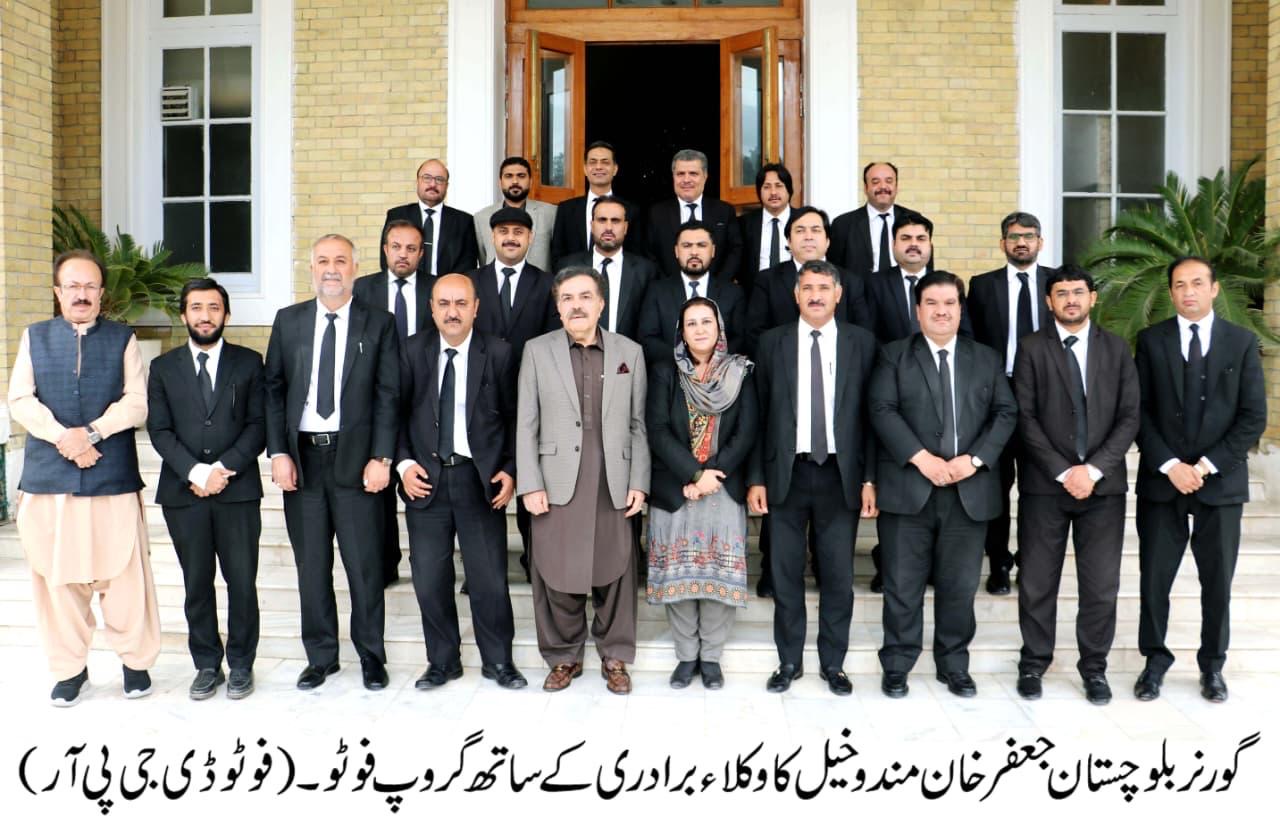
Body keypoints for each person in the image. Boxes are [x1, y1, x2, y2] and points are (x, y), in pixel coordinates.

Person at [8, 249, 160, 705]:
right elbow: (20, 400)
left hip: (110, 476)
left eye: (90, 286)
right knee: (57, 581)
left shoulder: (122, 339)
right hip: (49, 480)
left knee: (125, 576)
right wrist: (65, 438)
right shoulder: (34, 337)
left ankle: (135, 663)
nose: (81, 294)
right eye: (72, 286)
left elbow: (137, 402)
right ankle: (70, 670)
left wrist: (92, 433)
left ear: (101, 293)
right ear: (58, 292)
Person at [869, 271, 1017, 699]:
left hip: (968, 492)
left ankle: (953, 665)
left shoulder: (985, 358)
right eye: (931, 303)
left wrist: (974, 460)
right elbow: (882, 409)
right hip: (909, 489)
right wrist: (922, 459)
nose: (941, 311)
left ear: (960, 309)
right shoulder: (893, 355)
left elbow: (1006, 412)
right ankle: (897, 663)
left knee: (959, 587)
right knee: (902, 585)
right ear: (918, 310)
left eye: (949, 303)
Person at [265, 234, 400, 692]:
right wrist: (278, 452)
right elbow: (274, 389)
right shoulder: (289, 321)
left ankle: (371, 656)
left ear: (355, 268)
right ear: (311, 268)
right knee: (312, 567)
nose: (331, 268)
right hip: (303, 461)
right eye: (323, 260)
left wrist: (382, 456)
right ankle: (321, 657)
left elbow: (388, 394)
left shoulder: (378, 323)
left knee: (364, 566)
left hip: (357, 461)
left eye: (340, 260)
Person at [1133, 256, 1266, 703]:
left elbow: (1253, 417)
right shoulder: (1151, 341)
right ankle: (1154, 662)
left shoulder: (1242, 342)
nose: (1187, 291)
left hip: (1220, 485)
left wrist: (1206, 466)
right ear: (1170, 292)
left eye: (1196, 283)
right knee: (1154, 580)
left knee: (1217, 582)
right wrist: (1170, 465)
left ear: (1214, 289)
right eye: (1179, 284)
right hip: (1162, 483)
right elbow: (1138, 411)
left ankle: (1212, 666)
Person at [746, 260, 879, 696]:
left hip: (841, 475)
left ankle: (833, 663)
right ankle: (789, 660)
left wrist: (870, 478)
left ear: (838, 294)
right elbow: (758, 413)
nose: (816, 295)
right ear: (796, 295)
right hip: (786, 474)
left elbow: (871, 417)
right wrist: (756, 477)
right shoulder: (772, 343)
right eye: (807, 287)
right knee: (785, 575)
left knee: (838, 576)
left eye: (824, 287)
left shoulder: (862, 343)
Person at [517, 266, 649, 694]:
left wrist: (639, 481)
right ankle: (563, 656)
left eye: (585, 296)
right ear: (557, 307)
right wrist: (529, 483)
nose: (577, 305)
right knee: (555, 570)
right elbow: (526, 423)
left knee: (617, 568)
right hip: (556, 480)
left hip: (613, 478)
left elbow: (638, 424)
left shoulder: (630, 352)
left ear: (601, 303)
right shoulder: (537, 351)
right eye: (567, 298)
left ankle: (615, 655)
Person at [1012, 267, 1139, 705]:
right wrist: (1065, 471)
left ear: (1092, 298)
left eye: (1078, 292)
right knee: (1036, 582)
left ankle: (1094, 669)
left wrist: (1094, 470)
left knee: (1100, 585)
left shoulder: (1117, 348)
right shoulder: (1030, 348)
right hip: (1045, 487)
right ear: (1049, 302)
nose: (1070, 300)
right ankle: (1033, 663)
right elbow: (1025, 417)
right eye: (1061, 293)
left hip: (1103, 489)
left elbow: (1130, 416)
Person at [397, 273, 526, 691]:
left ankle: (499, 660)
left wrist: (511, 468)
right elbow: (394, 413)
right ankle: (442, 661)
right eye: (443, 303)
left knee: (488, 578)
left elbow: (516, 418)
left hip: (478, 480)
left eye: (460, 303)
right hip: (426, 482)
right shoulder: (411, 350)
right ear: (432, 308)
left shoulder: (500, 353)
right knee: (430, 579)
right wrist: (403, 465)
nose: (452, 312)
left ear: (475, 308)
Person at [147, 278, 266, 700]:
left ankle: (241, 664)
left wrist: (222, 469)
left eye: (214, 308)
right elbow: (159, 430)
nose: (205, 316)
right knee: (196, 583)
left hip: (237, 492)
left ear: (226, 315)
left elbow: (258, 425)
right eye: (196, 307)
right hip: (184, 495)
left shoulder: (249, 363)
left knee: (241, 583)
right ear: (184, 315)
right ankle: (206, 664)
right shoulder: (163, 368)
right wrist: (196, 472)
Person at [646, 297, 758, 690]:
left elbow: (747, 429)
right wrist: (694, 474)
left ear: (719, 327)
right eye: (690, 323)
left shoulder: (740, 371)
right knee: (678, 579)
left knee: (716, 576)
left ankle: (710, 657)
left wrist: (712, 475)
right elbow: (657, 428)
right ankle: (685, 656)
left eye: (706, 321)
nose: (699, 329)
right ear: (681, 331)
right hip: (676, 487)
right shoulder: (665, 372)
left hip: (722, 489)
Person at [863, 213, 972, 594]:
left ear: (930, 244)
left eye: (920, 237)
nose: (913, 243)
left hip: (947, 397)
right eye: (905, 237)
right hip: (895, 391)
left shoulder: (947, 288)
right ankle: (889, 565)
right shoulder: (873, 285)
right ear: (893, 244)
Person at [965, 212, 1056, 594]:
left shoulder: (1058, 282)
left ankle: (1032, 563)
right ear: (1002, 243)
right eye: (1014, 236)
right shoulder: (982, 286)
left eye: (1029, 236)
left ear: (1040, 242)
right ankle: (999, 562)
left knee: (1039, 488)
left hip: (1046, 398)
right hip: (997, 398)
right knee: (996, 486)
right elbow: (971, 342)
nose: (1022, 242)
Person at [471, 206, 560, 581]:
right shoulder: (471, 282)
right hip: (481, 398)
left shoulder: (547, 284)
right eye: (503, 231)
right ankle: (482, 568)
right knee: (483, 480)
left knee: (530, 475)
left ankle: (534, 560)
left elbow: (554, 340)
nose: (511, 238)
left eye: (518, 232)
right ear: (492, 237)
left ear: (530, 238)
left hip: (533, 396)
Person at [354, 219, 428, 587]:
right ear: (385, 249)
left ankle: (427, 566)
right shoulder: (362, 289)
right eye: (396, 247)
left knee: (422, 482)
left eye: (411, 248)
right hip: (375, 400)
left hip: (423, 399)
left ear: (421, 253)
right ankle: (385, 563)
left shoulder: (436, 288)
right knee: (378, 486)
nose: (403, 254)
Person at [745, 206, 873, 358]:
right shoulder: (767, 280)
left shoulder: (851, 281)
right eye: (800, 231)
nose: (808, 236)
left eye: (816, 230)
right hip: (783, 364)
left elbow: (862, 334)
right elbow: (755, 334)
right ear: (789, 241)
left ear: (827, 241)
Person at [637, 220, 745, 365]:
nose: (694, 252)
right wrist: (686, 362)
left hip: (720, 374)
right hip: (670, 374)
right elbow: (647, 338)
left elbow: (740, 338)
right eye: (687, 245)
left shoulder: (733, 293)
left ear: (713, 251)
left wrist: (710, 364)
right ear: (676, 251)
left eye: (701, 245)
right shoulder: (657, 291)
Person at [555, 195, 656, 342]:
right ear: (592, 225)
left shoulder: (645, 271)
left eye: (615, 221)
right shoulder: (567, 266)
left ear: (625, 227)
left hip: (626, 353)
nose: (608, 227)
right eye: (602, 220)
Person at [643, 148, 744, 280]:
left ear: (705, 176)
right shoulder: (656, 213)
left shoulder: (724, 211)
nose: (686, 180)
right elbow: (649, 255)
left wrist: (717, 285)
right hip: (669, 289)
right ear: (673, 177)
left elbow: (735, 252)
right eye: (680, 174)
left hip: (716, 289)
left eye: (693, 173)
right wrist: (667, 287)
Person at [381, 158, 480, 277]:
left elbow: (468, 264)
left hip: (447, 287)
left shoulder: (463, 221)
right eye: (427, 178)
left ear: (447, 186)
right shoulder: (397, 215)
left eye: (439, 179)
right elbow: (386, 259)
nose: (433, 184)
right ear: (417, 182)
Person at [549, 141, 634, 271]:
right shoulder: (566, 209)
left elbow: (635, 254)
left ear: (615, 169)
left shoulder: (631, 210)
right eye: (593, 162)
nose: (598, 167)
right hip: (575, 278)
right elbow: (557, 255)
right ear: (585, 169)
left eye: (605, 162)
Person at [828, 161, 923, 278]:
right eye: (875, 182)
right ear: (865, 188)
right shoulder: (843, 224)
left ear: (896, 187)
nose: (883, 186)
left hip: (902, 288)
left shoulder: (914, 220)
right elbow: (834, 270)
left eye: (889, 181)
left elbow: (924, 261)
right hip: (860, 289)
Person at [474, 156, 558, 272]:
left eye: (521, 176)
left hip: (540, 282)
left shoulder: (551, 213)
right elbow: (483, 259)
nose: (515, 181)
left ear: (530, 181)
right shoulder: (481, 217)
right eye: (509, 176)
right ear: (500, 182)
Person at [736, 162, 793, 294]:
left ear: (789, 190)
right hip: (755, 295)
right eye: (766, 187)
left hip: (794, 295)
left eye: (779, 186)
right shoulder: (744, 224)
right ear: (759, 192)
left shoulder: (801, 220)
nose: (773, 192)